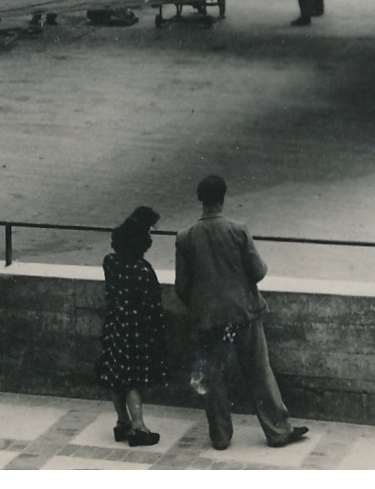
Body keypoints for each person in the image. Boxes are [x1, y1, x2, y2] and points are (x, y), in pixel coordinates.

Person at [174, 175, 308, 451]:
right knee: (259, 370)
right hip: (243, 313)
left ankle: (220, 436)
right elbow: (257, 271)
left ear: (200, 200)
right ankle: (278, 430)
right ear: (223, 197)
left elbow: (181, 286)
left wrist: (202, 306)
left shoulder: (185, 237)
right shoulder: (238, 230)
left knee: (213, 377)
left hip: (207, 319)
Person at [97, 206, 168, 448]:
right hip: (136, 332)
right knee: (134, 380)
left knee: (116, 377)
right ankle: (139, 427)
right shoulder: (143, 270)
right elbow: (152, 305)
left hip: (115, 328)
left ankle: (122, 422)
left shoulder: (110, 262)